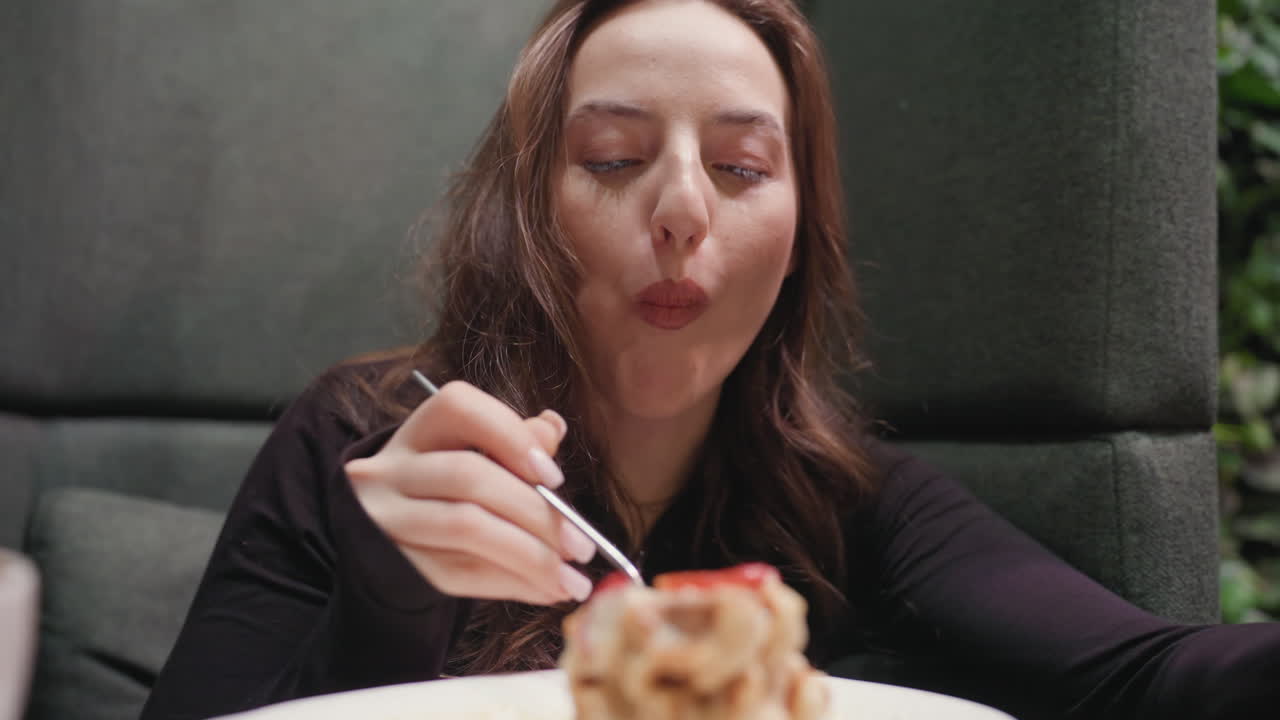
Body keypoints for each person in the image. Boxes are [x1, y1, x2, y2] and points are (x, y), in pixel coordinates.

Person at [140, 1, 1280, 719]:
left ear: (794, 244)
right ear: (529, 213)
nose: (682, 207)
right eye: (614, 155)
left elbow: (1148, 680)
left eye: (739, 169)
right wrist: (384, 593)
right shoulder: (358, 437)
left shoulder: (843, 504)